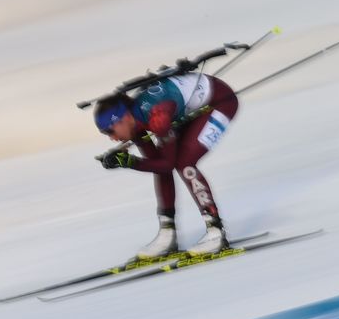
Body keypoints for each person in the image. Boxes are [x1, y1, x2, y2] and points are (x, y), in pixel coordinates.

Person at [93, 72, 239, 257]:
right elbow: (157, 165)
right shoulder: (134, 122)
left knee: (185, 163)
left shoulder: (157, 117)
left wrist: (129, 162)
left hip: (221, 102)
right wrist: (128, 161)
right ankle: (167, 233)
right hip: (188, 107)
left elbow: (166, 165)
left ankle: (216, 232)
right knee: (166, 166)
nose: (112, 138)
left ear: (123, 118)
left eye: (110, 131)